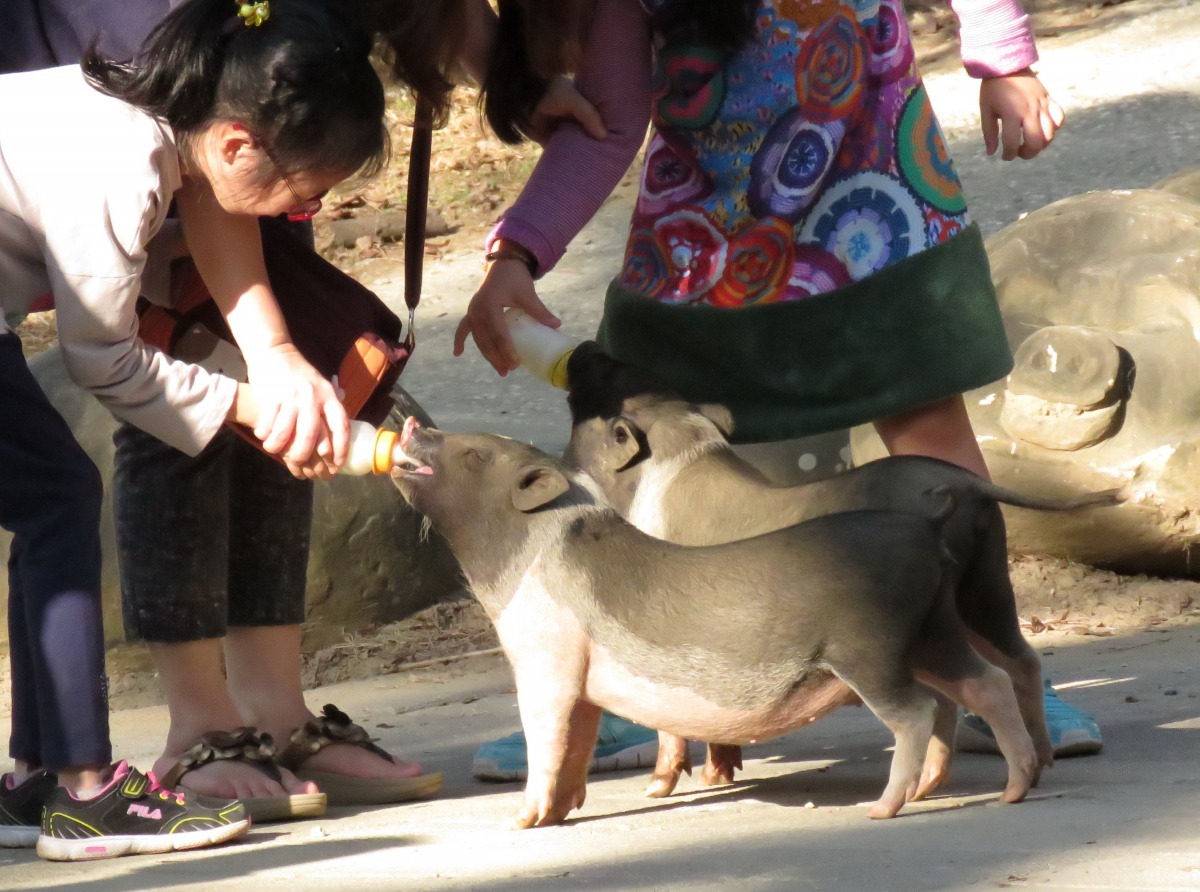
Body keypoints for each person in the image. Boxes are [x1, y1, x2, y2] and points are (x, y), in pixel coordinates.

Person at [451, 0, 1102, 781]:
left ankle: (1002, 665)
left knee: (935, 447)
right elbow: (612, 120)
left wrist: (1005, 59)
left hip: (878, 198)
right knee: (628, 446)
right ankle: (631, 693)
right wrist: (518, 250)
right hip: (706, 234)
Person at [0, 0, 400, 860]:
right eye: (308, 189)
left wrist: (271, 360)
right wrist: (254, 409)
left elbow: (180, 224)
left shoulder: (152, 119)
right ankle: (82, 791)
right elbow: (100, 360)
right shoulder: (119, 160)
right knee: (60, 498)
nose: (316, 207)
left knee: (45, 497)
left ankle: (39, 773)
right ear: (235, 146)